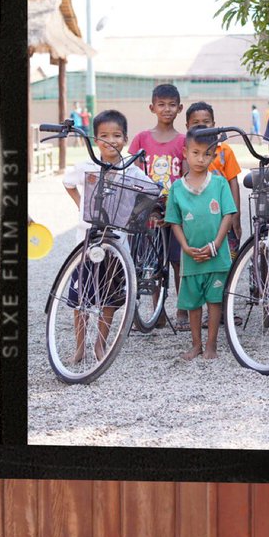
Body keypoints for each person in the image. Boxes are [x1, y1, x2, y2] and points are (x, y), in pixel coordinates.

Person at [62, 109, 147, 361]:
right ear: (95, 139)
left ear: (126, 138)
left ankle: (100, 344)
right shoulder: (86, 165)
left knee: (109, 299)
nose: (111, 140)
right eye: (104, 136)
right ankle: (79, 348)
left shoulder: (130, 167)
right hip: (86, 244)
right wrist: (81, 205)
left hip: (117, 246)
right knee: (80, 300)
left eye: (117, 135)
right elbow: (68, 183)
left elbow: (150, 190)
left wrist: (135, 213)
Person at [164, 130, 237, 360]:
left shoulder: (219, 183)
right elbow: (174, 221)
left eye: (207, 154)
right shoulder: (176, 188)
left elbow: (228, 214)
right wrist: (185, 247)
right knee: (193, 303)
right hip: (191, 257)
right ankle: (196, 345)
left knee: (215, 301)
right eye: (195, 153)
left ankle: (211, 345)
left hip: (217, 258)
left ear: (214, 156)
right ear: (185, 153)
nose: (200, 159)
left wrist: (216, 244)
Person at [130, 83, 187, 328]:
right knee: (151, 261)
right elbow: (132, 174)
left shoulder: (184, 140)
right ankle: (157, 310)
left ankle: (183, 311)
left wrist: (180, 208)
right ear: (152, 107)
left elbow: (186, 177)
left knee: (178, 261)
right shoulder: (142, 138)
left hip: (174, 211)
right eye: (161, 105)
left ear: (180, 108)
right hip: (149, 211)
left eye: (172, 105)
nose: (167, 109)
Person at [185, 101, 242, 259]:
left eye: (206, 122)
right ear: (187, 126)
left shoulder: (224, 150)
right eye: (195, 123)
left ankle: (227, 283)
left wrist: (236, 215)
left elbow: (233, 181)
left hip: (223, 212)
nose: (202, 126)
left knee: (229, 256)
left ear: (214, 124)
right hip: (199, 213)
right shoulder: (189, 152)